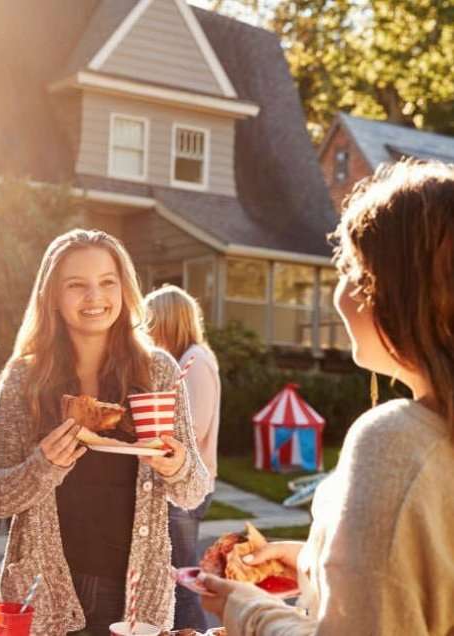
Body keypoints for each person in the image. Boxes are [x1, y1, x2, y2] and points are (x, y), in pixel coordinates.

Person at [200, 159, 454, 634]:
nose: (339, 293)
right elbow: (417, 590)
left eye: (352, 268)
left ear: (396, 291)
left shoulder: (396, 442)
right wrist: (311, 561)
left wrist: (247, 610)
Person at [0, 229, 210, 636]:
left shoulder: (157, 371)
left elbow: (193, 491)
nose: (95, 297)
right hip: (43, 588)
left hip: (136, 597)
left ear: (124, 289)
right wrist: (43, 465)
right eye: (77, 285)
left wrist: (176, 465)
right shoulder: (25, 378)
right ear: (52, 295)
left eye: (107, 282)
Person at [145, 285, 220, 632]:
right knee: (172, 576)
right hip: (176, 484)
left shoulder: (196, 361)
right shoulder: (187, 359)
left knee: (180, 579)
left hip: (185, 490)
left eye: (150, 320)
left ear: (168, 321)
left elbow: (195, 426)